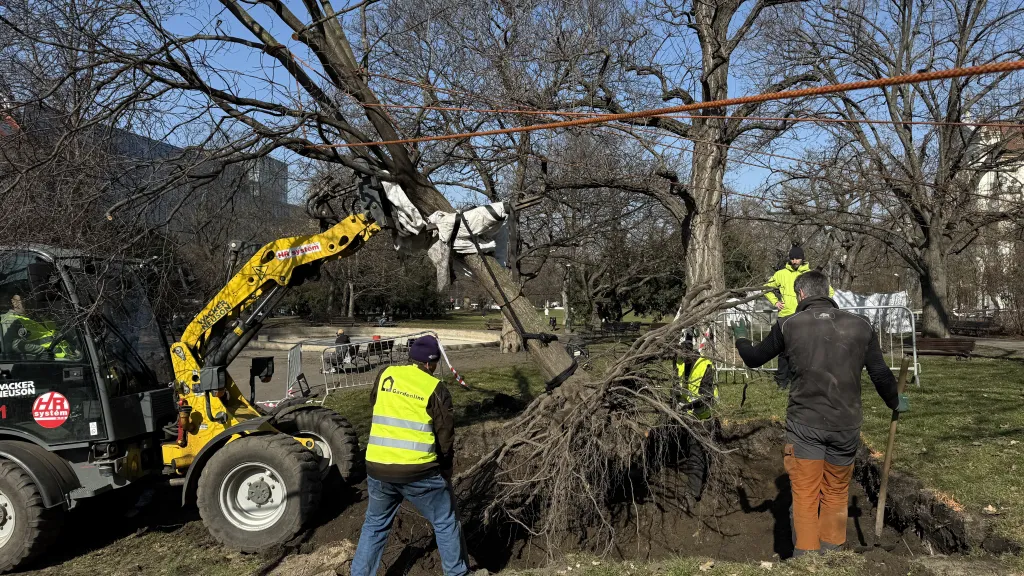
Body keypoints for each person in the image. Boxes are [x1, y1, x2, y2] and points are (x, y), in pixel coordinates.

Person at [732, 271, 909, 557]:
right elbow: (879, 372)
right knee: (836, 492)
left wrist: (741, 339)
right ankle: (833, 552)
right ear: (827, 291)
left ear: (801, 294)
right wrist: (895, 401)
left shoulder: (789, 325)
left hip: (806, 425)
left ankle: (806, 559)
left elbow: (753, 359)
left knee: (804, 495)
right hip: (846, 425)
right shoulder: (860, 325)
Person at [351, 335, 470, 576]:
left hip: (378, 467)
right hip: (418, 472)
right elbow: (445, 436)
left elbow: (376, 403)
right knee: (445, 521)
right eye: (435, 364)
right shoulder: (435, 388)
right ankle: (457, 574)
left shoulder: (386, 374)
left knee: (375, 524)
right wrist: (446, 467)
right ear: (430, 364)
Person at [762, 246, 834, 390]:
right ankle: (782, 381)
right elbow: (766, 288)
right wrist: (775, 302)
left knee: (805, 348)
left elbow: (829, 291)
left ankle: (802, 378)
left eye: (797, 258)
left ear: (803, 258)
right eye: (792, 258)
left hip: (806, 315)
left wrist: (817, 305)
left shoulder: (811, 274)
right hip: (786, 316)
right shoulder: (781, 274)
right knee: (783, 350)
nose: (795, 261)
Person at [673, 327, 720, 507]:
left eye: (686, 356)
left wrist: (687, 406)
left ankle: (692, 494)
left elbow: (707, 398)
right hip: (682, 416)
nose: (682, 359)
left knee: (696, 454)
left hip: (701, 417)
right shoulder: (678, 361)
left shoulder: (705, 365)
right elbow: (675, 385)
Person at [0, 293, 77, 359]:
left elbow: (62, 335)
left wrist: (75, 350)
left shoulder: (42, 318)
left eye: (32, 298)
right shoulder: (10, 321)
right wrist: (42, 351)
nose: (30, 302)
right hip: (46, 362)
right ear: (14, 302)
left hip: (70, 358)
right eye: (26, 299)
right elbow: (14, 345)